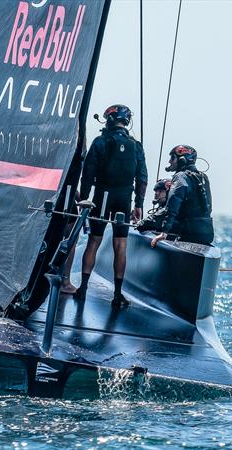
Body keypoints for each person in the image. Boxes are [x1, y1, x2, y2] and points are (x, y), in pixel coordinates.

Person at [74, 104, 148, 308]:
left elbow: (87, 173)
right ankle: (117, 295)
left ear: (109, 120)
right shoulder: (136, 145)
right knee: (120, 246)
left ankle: (83, 289)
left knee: (93, 242)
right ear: (126, 121)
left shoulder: (100, 141)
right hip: (124, 200)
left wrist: (84, 200)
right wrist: (139, 205)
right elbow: (142, 177)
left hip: (102, 197)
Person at [151, 145, 214, 247]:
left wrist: (164, 231)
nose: (169, 162)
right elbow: (208, 207)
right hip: (207, 234)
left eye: (172, 158)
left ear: (182, 160)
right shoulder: (203, 178)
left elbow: (173, 203)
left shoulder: (181, 176)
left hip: (189, 233)